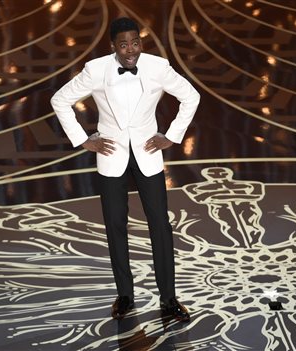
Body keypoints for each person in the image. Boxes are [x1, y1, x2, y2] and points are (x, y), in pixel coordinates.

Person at [50, 17, 200, 322]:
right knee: (115, 226)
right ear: (113, 46)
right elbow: (60, 100)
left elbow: (191, 96)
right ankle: (125, 296)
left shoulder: (158, 67)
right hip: (111, 153)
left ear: (141, 43)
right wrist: (83, 140)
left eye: (135, 42)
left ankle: (169, 300)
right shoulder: (96, 70)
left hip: (148, 152)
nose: (130, 49)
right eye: (123, 44)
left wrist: (171, 136)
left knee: (160, 225)